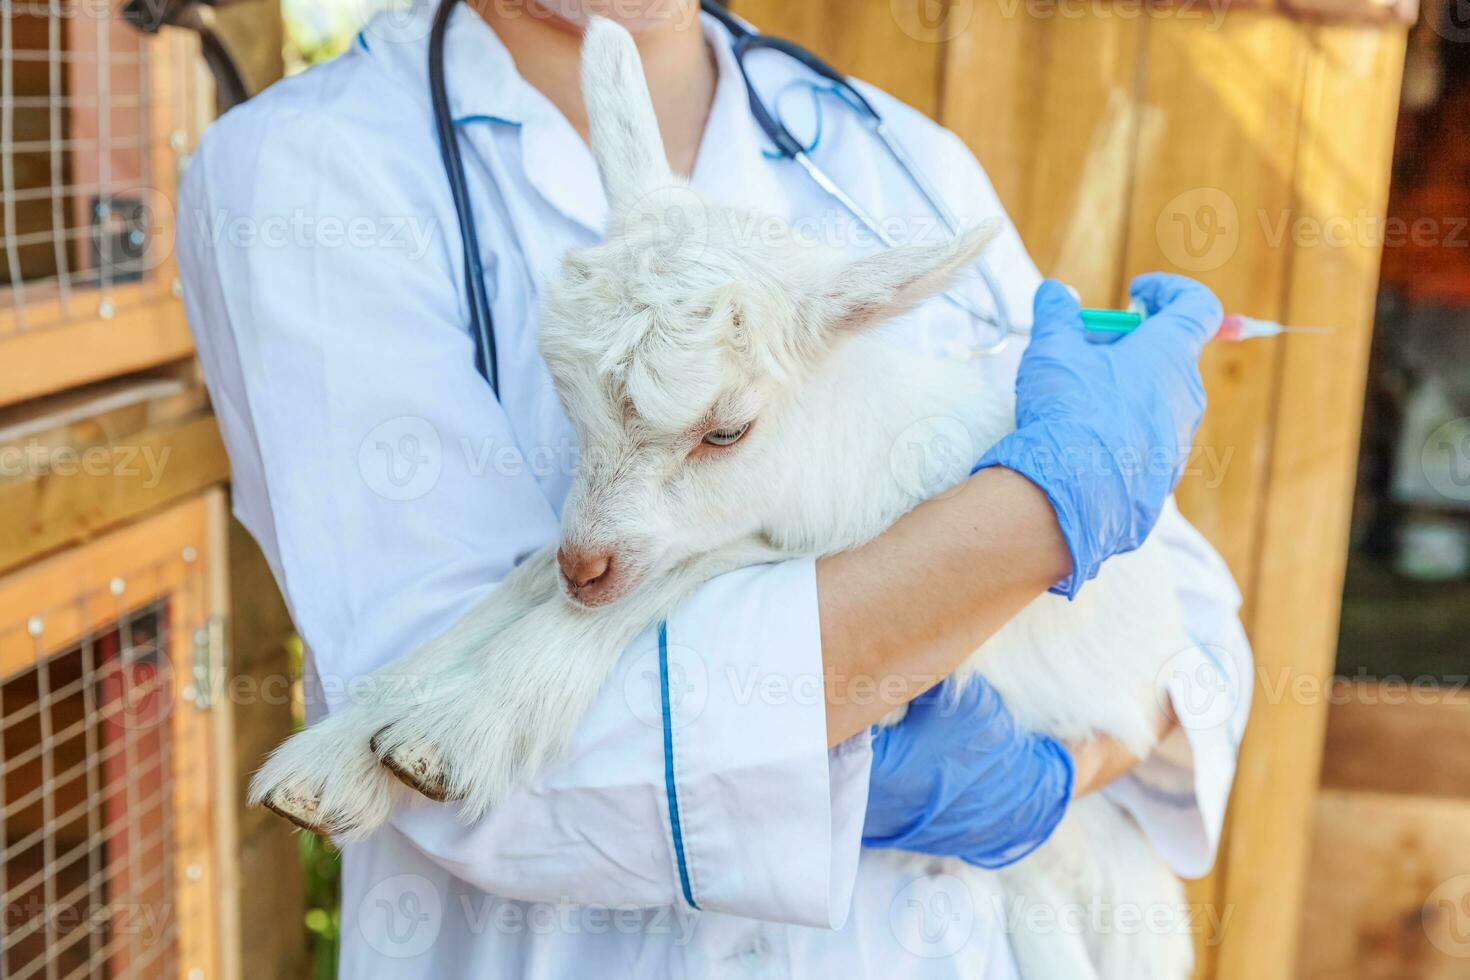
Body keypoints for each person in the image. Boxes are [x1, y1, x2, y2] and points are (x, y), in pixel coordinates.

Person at [176, 1, 1252, 976]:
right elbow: (478, 778)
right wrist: (1017, 535)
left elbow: (1189, 629)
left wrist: (1056, 775)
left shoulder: (902, 154)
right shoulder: (308, 175)